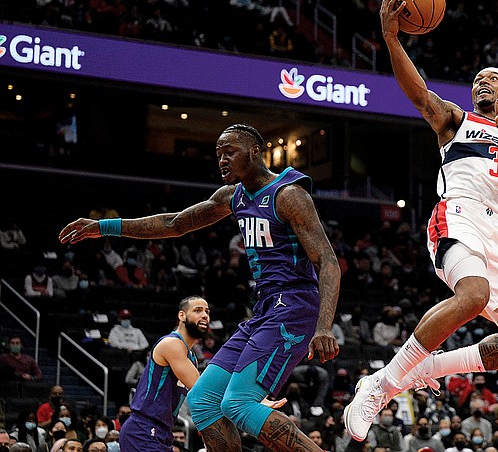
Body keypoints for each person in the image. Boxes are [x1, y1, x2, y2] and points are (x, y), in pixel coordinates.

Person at [345, 0, 498, 442]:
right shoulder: (455, 121)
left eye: (491, 78)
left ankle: (426, 367)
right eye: (477, 78)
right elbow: (418, 93)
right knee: (474, 295)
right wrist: (391, 36)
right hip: (458, 213)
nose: (482, 83)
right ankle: (382, 383)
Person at [59, 123, 341, 452]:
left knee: (239, 404)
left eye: (229, 153)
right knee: (204, 402)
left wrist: (324, 326)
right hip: (264, 308)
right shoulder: (233, 196)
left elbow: (328, 261)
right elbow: (174, 223)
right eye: (218, 154)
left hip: (294, 308)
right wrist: (104, 227)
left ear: (254, 152)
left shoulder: (289, 194)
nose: (221, 160)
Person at [115, 296, 208, 451]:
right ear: (181, 316)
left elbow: (198, 399)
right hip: (144, 428)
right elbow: (202, 391)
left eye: (207, 311)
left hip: (163, 431)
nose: (205, 315)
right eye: (198, 310)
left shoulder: (191, 357)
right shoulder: (172, 344)